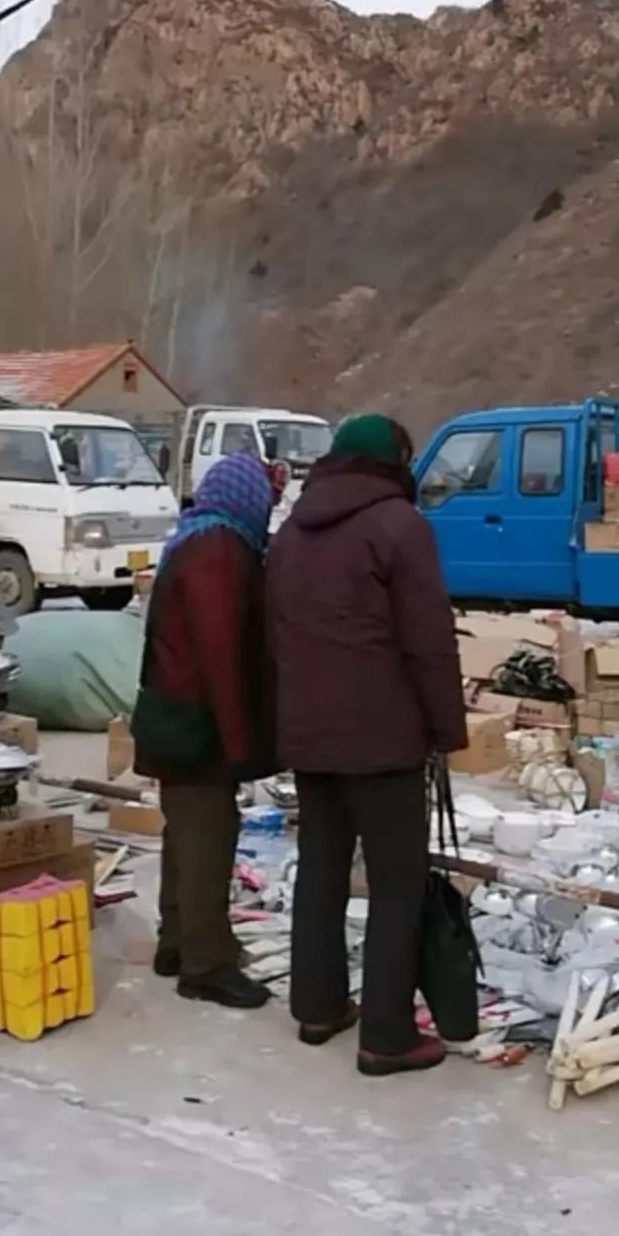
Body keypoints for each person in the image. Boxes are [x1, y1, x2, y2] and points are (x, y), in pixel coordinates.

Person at [267, 413, 467, 1076]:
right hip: (383, 739)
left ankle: (318, 1007)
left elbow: (278, 637)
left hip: (311, 735)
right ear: (393, 460)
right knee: (397, 882)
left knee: (321, 871)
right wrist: (446, 728)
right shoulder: (398, 526)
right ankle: (386, 1033)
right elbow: (428, 641)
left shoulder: (292, 532)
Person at [132, 451, 276, 1009]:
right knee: (209, 838)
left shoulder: (197, 537)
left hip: (174, 712)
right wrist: (240, 741)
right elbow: (222, 652)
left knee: (184, 835)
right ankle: (206, 966)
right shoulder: (219, 549)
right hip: (197, 719)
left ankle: (178, 943)